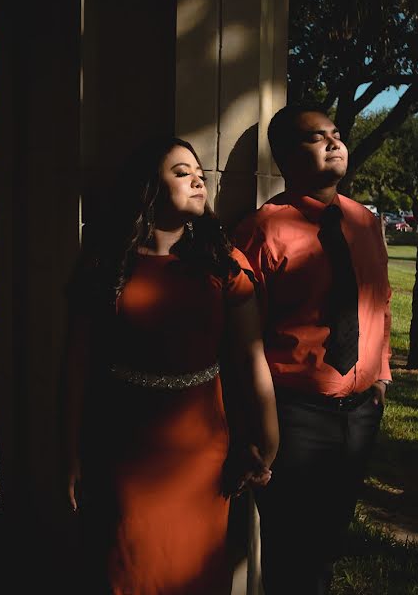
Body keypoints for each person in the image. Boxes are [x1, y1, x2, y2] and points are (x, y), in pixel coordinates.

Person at [63, 137, 279, 594]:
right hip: (125, 446)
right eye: (181, 172)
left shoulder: (225, 264)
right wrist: (71, 451)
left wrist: (267, 440)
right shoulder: (105, 264)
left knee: (196, 570)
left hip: (202, 449)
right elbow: (78, 363)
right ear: (148, 188)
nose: (198, 177)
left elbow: (250, 356)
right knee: (127, 567)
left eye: (200, 171)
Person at [234, 104, 393, 594]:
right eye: (315, 137)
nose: (333, 142)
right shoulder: (262, 230)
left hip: (361, 411)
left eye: (337, 134)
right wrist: (260, 422)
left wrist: (381, 379)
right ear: (284, 157)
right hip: (294, 415)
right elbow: (243, 337)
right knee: (291, 553)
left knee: (327, 545)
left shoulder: (366, 222)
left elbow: (379, 305)